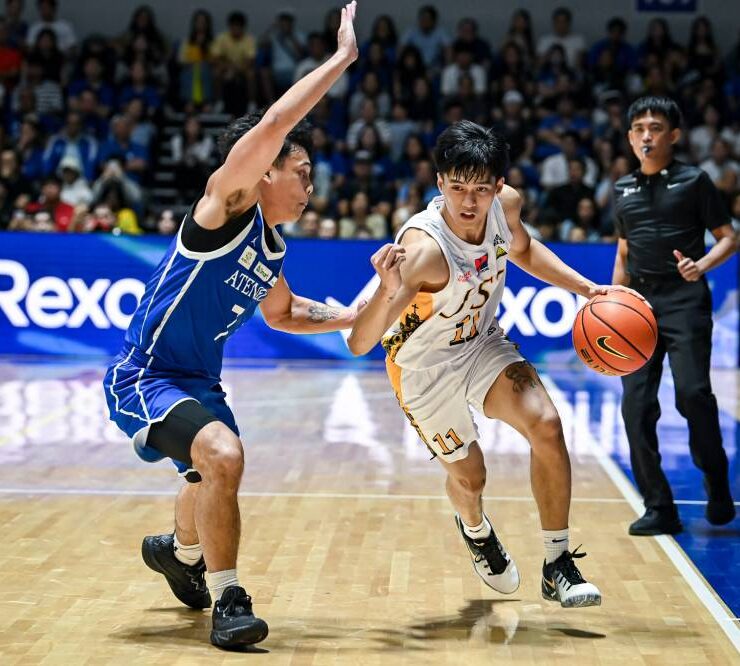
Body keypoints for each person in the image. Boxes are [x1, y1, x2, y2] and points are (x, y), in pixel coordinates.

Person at [102, 2, 359, 649]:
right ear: (265, 170)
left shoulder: (271, 249)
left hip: (199, 383)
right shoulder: (224, 209)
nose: (311, 184)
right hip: (147, 376)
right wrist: (341, 58)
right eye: (302, 172)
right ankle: (230, 601)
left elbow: (285, 313)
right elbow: (274, 123)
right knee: (222, 455)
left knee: (205, 472)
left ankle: (180, 555)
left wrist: (358, 314)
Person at [347, 120, 639, 608]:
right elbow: (359, 342)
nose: (468, 201)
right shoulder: (422, 252)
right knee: (472, 478)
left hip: (481, 343)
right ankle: (476, 530)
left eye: (480, 189)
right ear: (439, 183)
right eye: (457, 187)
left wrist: (586, 289)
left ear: (498, 186)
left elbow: (523, 249)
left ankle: (557, 564)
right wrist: (386, 289)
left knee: (547, 425)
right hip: (423, 370)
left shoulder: (507, 208)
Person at [611, 96, 738, 536]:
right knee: (636, 406)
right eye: (639, 128)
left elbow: (728, 237)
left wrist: (701, 266)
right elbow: (624, 250)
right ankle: (659, 506)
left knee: (693, 395)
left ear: (674, 135)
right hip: (639, 305)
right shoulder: (622, 188)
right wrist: (614, 303)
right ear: (630, 138)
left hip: (684, 300)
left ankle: (716, 481)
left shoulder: (694, 180)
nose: (646, 135)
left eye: (656, 127)